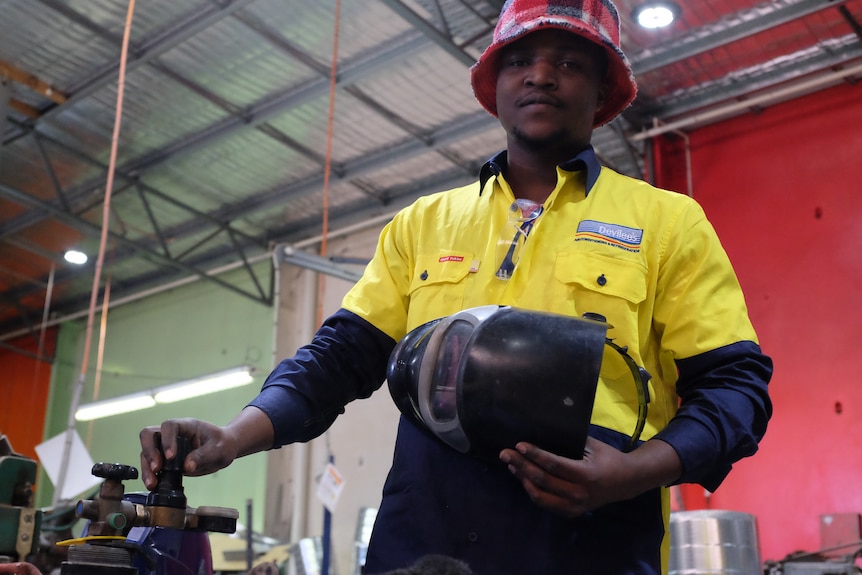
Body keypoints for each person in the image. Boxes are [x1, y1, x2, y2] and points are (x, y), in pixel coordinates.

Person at [140, 0, 773, 573]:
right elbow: (340, 358)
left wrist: (636, 473)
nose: (541, 76)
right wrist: (233, 435)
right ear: (493, 86)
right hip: (423, 543)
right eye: (519, 59)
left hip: (590, 543)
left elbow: (734, 387)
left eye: (570, 63)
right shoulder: (424, 224)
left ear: (604, 90)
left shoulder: (666, 222)